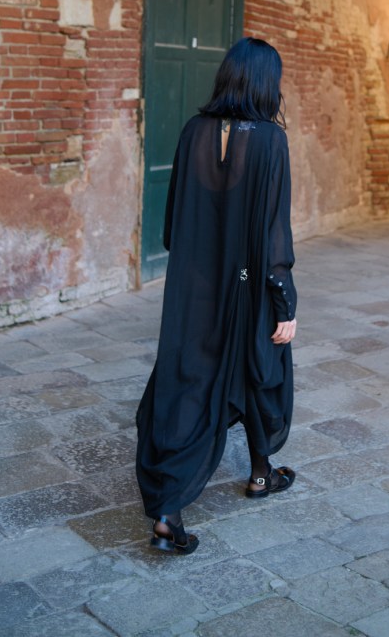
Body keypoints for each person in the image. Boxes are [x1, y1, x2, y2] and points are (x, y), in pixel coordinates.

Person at [136, 37, 298, 554]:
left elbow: (172, 227)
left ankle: (171, 512)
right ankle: (259, 473)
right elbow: (274, 233)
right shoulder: (271, 141)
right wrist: (284, 303)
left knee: (189, 382)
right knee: (262, 366)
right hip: (248, 285)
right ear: (265, 83)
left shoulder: (192, 131)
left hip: (195, 288)